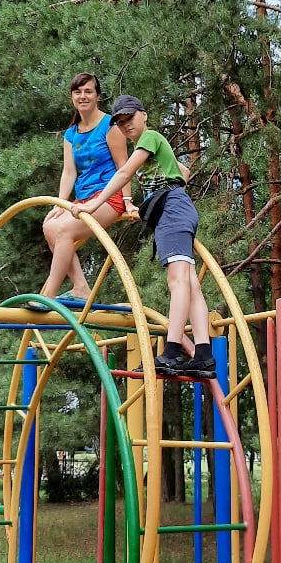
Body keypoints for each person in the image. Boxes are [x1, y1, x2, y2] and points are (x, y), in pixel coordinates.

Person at [72, 94, 216, 379]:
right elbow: (183, 171)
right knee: (189, 283)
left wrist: (93, 204)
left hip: (172, 211)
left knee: (177, 280)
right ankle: (203, 356)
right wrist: (150, 201)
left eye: (130, 118)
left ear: (144, 114)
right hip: (176, 208)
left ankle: (172, 351)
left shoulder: (149, 137)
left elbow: (125, 171)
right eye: (120, 122)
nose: (126, 125)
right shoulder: (154, 145)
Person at [38, 72, 135, 303]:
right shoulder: (71, 134)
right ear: (72, 97)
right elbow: (69, 172)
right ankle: (80, 287)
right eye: (78, 92)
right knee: (50, 226)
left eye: (88, 91)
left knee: (64, 231)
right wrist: (60, 203)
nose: (83, 96)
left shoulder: (109, 125)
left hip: (109, 197)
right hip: (83, 199)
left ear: (97, 96)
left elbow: (124, 166)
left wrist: (128, 201)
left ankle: (48, 295)